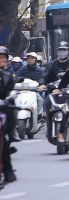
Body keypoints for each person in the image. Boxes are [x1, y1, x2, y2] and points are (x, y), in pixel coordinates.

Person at [0, 46, 17, 183]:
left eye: (3, 58)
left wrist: (7, 100)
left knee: (3, 139)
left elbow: (11, 92)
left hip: (3, 110)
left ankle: (8, 170)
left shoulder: (7, 76)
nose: (1, 61)